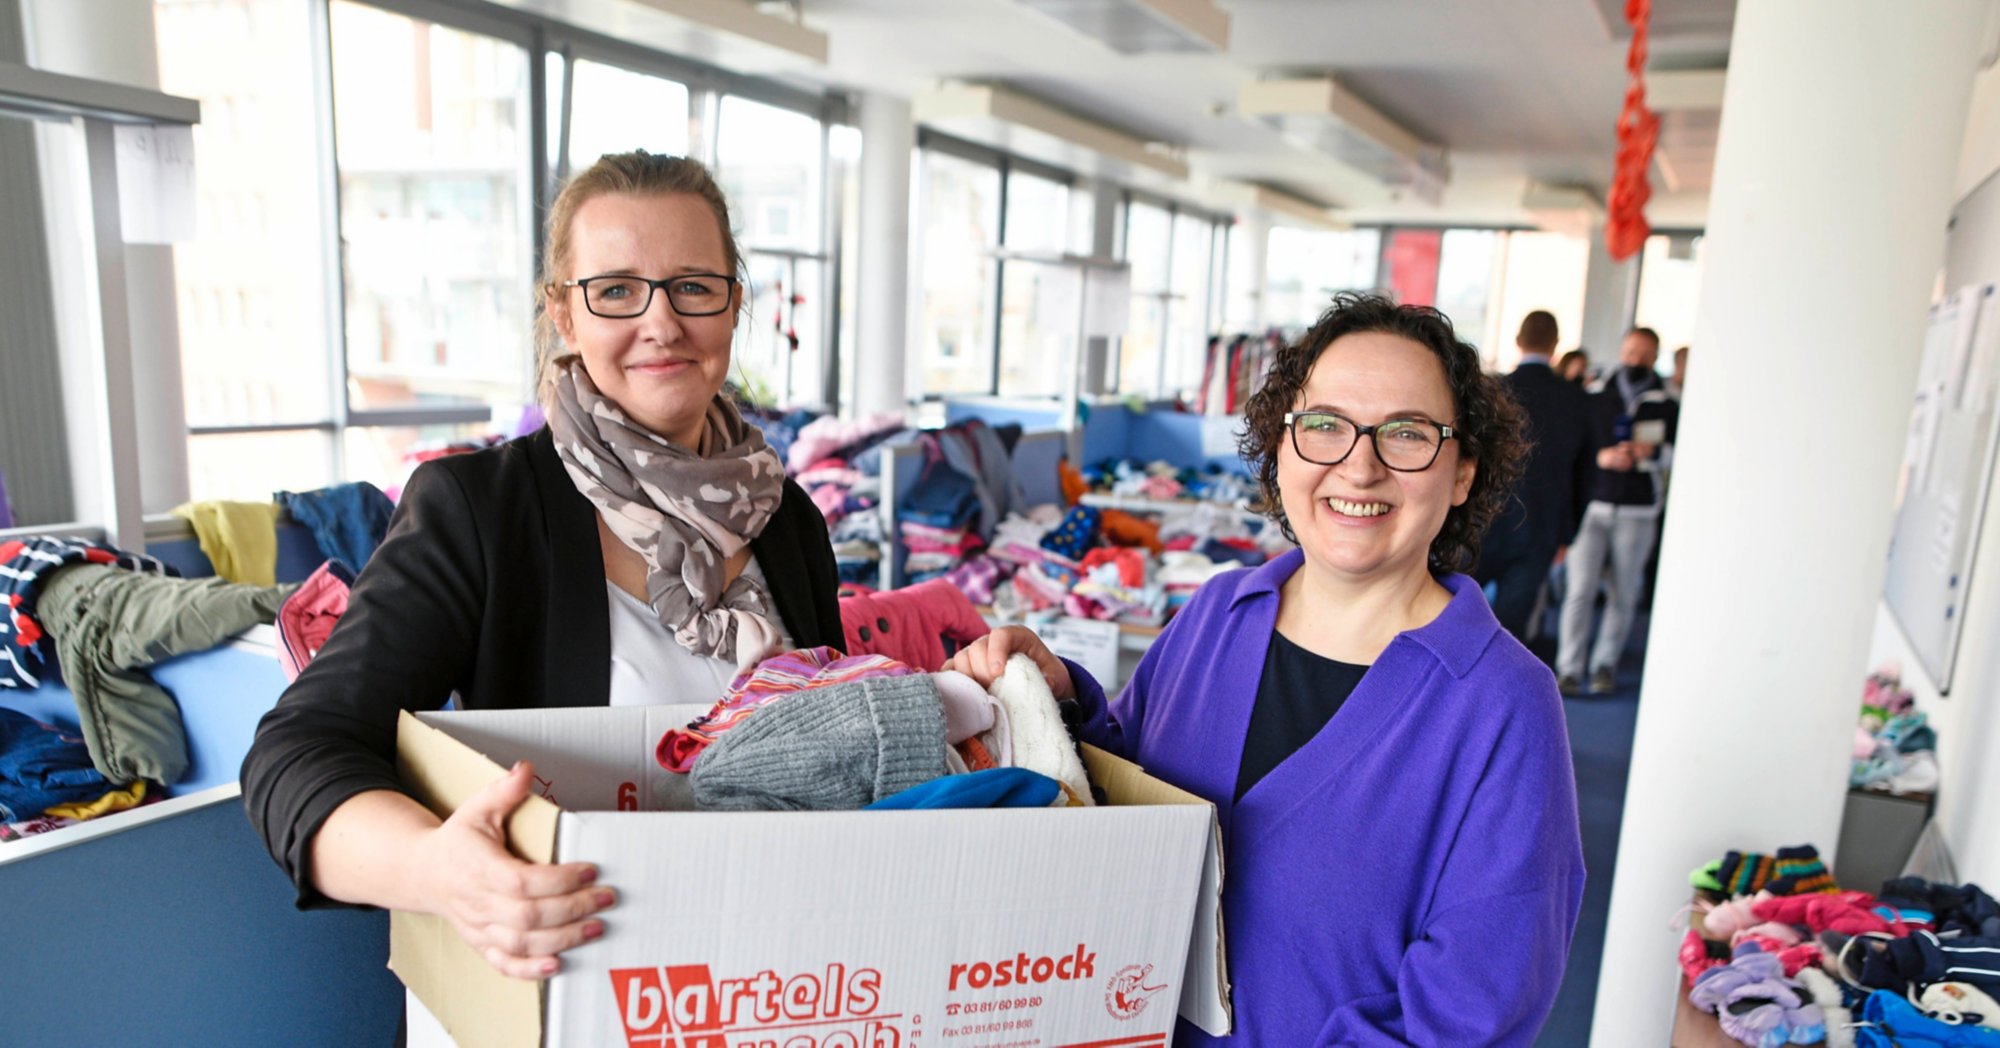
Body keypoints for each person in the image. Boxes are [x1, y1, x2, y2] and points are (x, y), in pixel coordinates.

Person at [241, 152, 845, 981]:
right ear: (565, 315)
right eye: (616, 290)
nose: (661, 323)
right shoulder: (481, 510)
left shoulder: (788, 520)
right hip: (572, 987)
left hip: (765, 981)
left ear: (733, 304)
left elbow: (840, 743)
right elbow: (297, 752)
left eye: (693, 286)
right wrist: (439, 874)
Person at [946, 293, 1585, 1045]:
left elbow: (1468, 1012)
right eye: (1325, 426)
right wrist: (1057, 701)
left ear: (1463, 473)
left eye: (1407, 435)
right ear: (1281, 447)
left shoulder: (1501, 705)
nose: (1361, 465)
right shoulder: (1223, 611)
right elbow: (1127, 787)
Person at [1556, 326, 1679, 695]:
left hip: (1638, 509)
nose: (1634, 360)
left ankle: (1604, 665)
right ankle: (1569, 668)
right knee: (1579, 590)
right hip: (1592, 504)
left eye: (1642, 354)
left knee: (1623, 593)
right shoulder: (1595, 395)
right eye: (1630, 352)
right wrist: (1600, 457)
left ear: (1655, 357)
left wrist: (1650, 456)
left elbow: (1678, 451)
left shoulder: (1667, 402)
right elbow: (1575, 450)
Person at [1476, 310, 1599, 642]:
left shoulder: (1492, 390)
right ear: (1555, 345)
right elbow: (1586, 473)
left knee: (1452, 612)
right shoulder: (1576, 399)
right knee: (1509, 629)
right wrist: (1567, 535)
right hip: (1541, 527)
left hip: (1480, 520)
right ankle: (1495, 693)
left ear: (1518, 341)